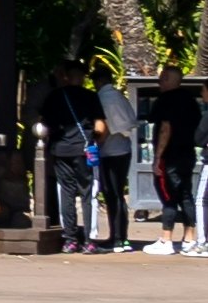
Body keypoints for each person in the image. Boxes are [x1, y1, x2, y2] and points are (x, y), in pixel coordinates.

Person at [37, 64, 107, 251]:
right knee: (87, 193)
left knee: (66, 193)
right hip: (84, 149)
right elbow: (100, 126)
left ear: (65, 77)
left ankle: (70, 239)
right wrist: (95, 141)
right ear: (83, 77)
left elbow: (44, 124)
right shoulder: (91, 97)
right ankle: (89, 241)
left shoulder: (54, 97)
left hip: (61, 150)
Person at [146, 63, 204, 256]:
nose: (159, 81)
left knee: (168, 195)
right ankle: (189, 237)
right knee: (186, 194)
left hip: (169, 155)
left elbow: (165, 128)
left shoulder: (165, 100)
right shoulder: (190, 100)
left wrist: (157, 156)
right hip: (187, 153)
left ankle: (166, 238)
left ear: (171, 80)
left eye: (163, 78)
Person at [94, 67, 139, 251]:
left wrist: (95, 143)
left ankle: (117, 238)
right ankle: (122, 237)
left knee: (112, 195)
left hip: (109, 152)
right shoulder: (120, 96)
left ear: (97, 82)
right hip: (124, 150)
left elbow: (103, 128)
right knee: (119, 193)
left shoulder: (102, 99)